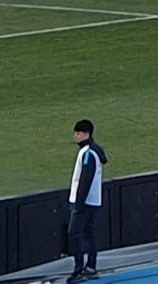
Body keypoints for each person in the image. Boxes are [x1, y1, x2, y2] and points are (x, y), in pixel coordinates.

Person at [67, 118, 107, 282]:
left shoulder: (88, 153)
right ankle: (90, 267)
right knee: (89, 234)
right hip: (93, 201)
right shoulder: (93, 151)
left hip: (84, 202)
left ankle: (79, 269)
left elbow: (85, 179)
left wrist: (78, 204)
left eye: (78, 133)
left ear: (86, 134)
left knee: (74, 234)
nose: (75, 136)